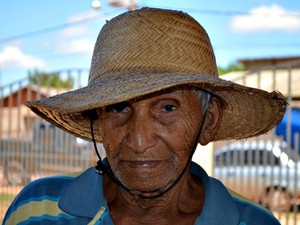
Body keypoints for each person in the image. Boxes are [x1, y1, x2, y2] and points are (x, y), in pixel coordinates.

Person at [3, 7, 287, 225]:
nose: (138, 141)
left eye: (167, 108)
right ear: (97, 118)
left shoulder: (254, 221)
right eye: (118, 107)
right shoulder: (36, 210)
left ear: (208, 121)